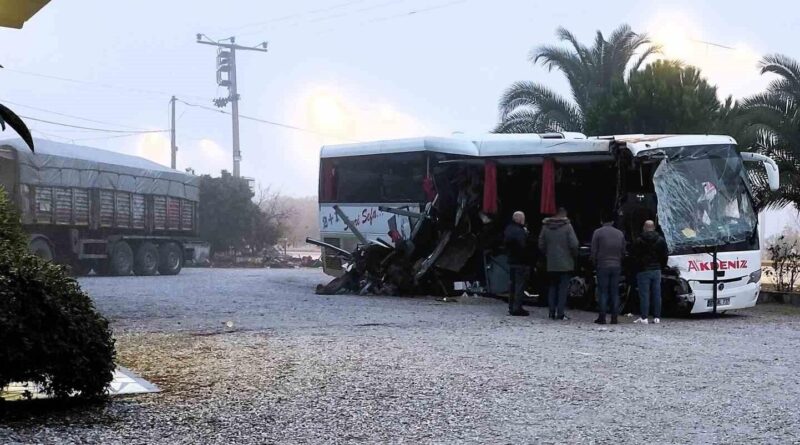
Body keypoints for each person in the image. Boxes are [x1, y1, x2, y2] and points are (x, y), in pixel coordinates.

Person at [538, 207, 579, 320]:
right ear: (563, 214)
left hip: (551, 262)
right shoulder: (567, 227)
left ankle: (551, 312)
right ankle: (560, 313)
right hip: (565, 262)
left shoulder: (545, 227)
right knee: (563, 289)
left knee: (552, 287)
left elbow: (541, 244)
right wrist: (573, 255)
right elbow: (574, 244)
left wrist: (548, 254)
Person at [590, 212, 626, 325]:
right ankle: (614, 317)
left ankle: (602, 317)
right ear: (613, 221)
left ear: (601, 221)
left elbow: (593, 250)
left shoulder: (598, 233)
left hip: (602, 265)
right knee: (615, 292)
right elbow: (623, 251)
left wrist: (594, 262)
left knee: (603, 291)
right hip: (616, 265)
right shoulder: (620, 234)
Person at [632, 220, 668, 324]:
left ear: (644, 227)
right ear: (654, 227)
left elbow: (634, 256)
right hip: (656, 270)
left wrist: (638, 267)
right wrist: (662, 266)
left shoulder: (638, 240)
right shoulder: (661, 240)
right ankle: (657, 317)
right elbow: (664, 256)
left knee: (644, 294)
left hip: (643, 270)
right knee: (657, 294)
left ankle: (644, 317)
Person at [504, 211, 530, 316]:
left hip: (511, 260)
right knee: (520, 286)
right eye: (523, 218)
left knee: (512, 285)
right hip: (520, 261)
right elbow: (523, 246)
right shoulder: (520, 231)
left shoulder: (508, 229)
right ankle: (517, 307)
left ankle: (511, 306)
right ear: (519, 219)